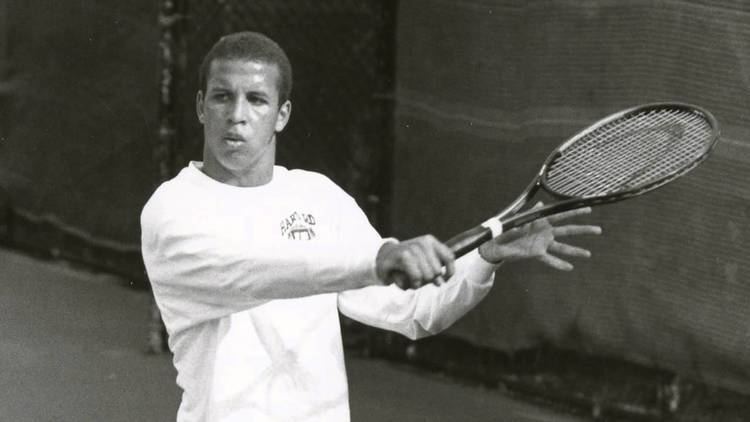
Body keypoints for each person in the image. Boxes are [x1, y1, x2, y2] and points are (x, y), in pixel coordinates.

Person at [140, 31, 601, 422]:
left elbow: (416, 310)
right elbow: (254, 272)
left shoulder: (318, 197)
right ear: (202, 106)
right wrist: (376, 261)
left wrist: (485, 257)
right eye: (223, 96)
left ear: (282, 115)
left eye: (256, 99)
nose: (237, 114)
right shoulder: (173, 210)